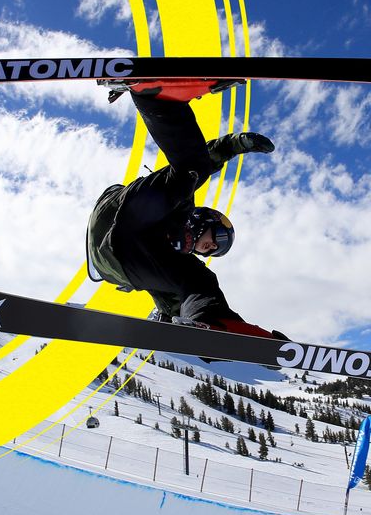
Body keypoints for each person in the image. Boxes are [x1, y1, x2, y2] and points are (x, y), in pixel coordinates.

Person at [87, 83, 280, 339]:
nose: (212, 249)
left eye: (215, 251)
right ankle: (153, 97)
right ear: (204, 220)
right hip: (120, 218)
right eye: (217, 240)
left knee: (198, 281)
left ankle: (218, 327)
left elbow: (175, 295)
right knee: (192, 170)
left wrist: (174, 323)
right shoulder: (182, 205)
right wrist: (235, 144)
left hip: (120, 262)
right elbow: (202, 162)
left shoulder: (172, 261)